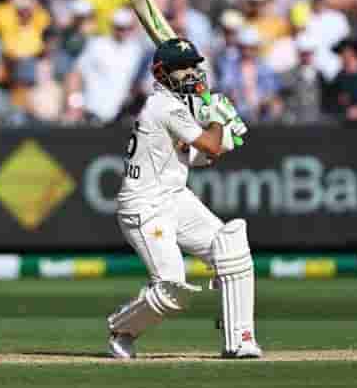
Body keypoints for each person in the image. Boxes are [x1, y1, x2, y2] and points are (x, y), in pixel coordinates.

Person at [107, 37, 261, 360]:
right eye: (181, 67)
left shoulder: (178, 105)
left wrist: (223, 135)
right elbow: (211, 146)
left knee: (230, 248)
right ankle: (122, 330)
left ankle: (240, 340)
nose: (191, 72)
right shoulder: (164, 106)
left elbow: (195, 154)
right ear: (162, 73)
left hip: (175, 197)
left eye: (193, 64)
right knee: (172, 290)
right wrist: (220, 120)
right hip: (145, 208)